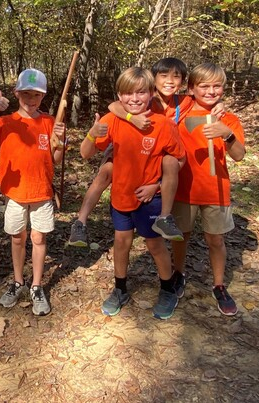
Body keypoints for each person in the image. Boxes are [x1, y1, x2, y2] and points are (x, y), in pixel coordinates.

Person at [68, 58, 224, 248]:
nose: (170, 81)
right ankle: (81, 222)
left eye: (176, 76)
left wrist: (220, 106)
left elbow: (205, 101)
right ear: (154, 80)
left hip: (161, 150)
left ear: (183, 82)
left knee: (169, 162)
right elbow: (114, 106)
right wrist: (131, 119)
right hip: (132, 144)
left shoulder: (185, 102)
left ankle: (163, 218)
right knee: (106, 170)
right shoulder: (147, 98)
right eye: (164, 75)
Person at [80, 67, 186, 320]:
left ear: (151, 93)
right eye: (128, 93)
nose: (135, 98)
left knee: (155, 244)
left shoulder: (163, 125)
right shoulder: (112, 120)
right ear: (119, 95)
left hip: (150, 199)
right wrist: (91, 135)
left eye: (141, 92)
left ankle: (168, 288)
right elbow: (86, 153)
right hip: (121, 197)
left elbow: (179, 161)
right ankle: (120, 289)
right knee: (121, 242)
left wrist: (157, 186)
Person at [0, 69, 66, 316]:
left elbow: (56, 158)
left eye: (36, 95)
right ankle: (17, 281)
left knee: (39, 239)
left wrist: (60, 142)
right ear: (16, 94)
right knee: (17, 237)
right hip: (15, 194)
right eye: (25, 94)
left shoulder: (49, 122)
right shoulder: (6, 122)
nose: (31, 99)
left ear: (43, 97)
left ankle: (35, 285)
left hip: (42, 193)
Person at [171, 62, 246, 316]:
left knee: (216, 238)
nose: (211, 91)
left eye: (217, 86)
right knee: (182, 234)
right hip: (184, 187)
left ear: (223, 88)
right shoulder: (181, 107)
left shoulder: (229, 119)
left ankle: (219, 285)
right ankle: (178, 273)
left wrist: (227, 134)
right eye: (204, 86)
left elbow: (239, 156)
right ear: (191, 88)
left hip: (216, 188)